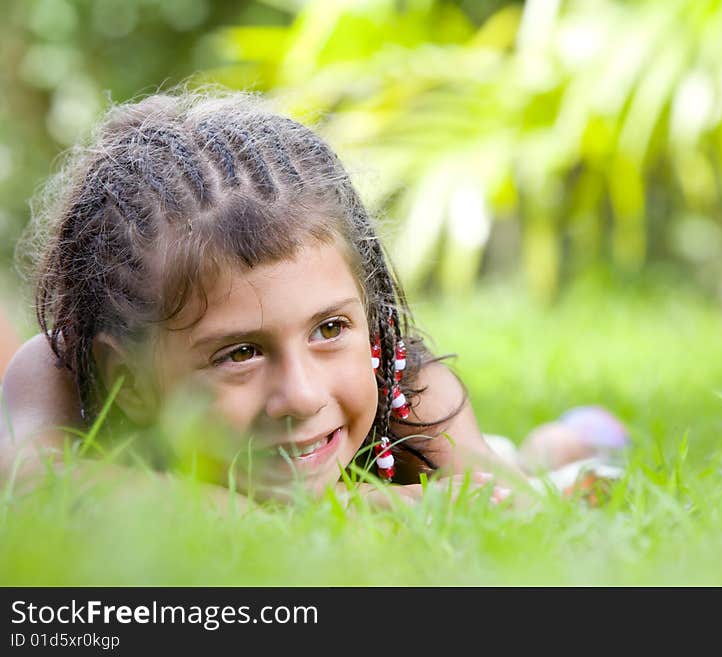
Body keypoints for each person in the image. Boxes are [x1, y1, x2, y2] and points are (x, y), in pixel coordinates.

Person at [0, 89, 625, 508]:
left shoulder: (408, 386)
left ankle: (560, 444)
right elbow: (40, 490)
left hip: (412, 457)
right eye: (239, 353)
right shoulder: (58, 376)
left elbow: (495, 504)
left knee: (536, 475)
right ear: (126, 381)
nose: (301, 395)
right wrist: (355, 512)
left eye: (330, 330)